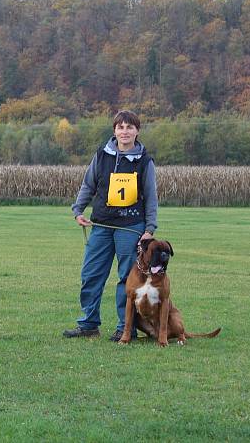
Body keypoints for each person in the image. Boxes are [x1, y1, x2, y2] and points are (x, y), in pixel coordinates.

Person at [63, 110, 158, 342]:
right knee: (91, 274)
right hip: (101, 225)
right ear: (114, 130)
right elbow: (89, 184)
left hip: (131, 227)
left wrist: (149, 228)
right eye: (120, 127)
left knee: (127, 279)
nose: (125, 132)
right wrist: (78, 210)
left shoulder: (145, 161)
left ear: (137, 131)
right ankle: (88, 324)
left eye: (129, 127)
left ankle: (124, 328)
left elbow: (151, 196)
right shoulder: (102, 155)